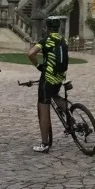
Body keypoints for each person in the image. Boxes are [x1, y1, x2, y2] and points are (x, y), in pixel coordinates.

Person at [26, 16, 69, 153]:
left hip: (48, 78)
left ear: (47, 28)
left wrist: (38, 65)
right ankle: (71, 119)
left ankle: (45, 144)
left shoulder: (45, 41)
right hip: (60, 76)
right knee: (55, 95)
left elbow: (30, 53)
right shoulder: (64, 40)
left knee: (43, 108)